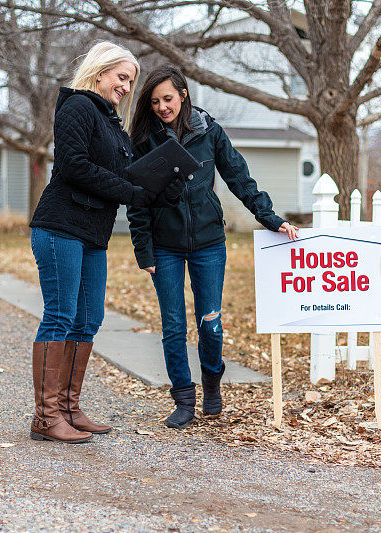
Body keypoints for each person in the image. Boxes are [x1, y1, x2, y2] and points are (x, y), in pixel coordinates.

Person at [127, 65, 298, 430]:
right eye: (155, 101)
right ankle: (183, 400)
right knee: (173, 325)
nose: (162, 107)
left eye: (168, 98)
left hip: (208, 243)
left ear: (184, 94)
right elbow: (137, 202)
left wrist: (269, 218)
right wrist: (145, 252)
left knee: (211, 323)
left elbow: (239, 177)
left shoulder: (210, 133)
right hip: (165, 247)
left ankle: (212, 384)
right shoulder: (143, 141)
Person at [28, 43, 184, 444]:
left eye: (131, 81)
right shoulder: (77, 108)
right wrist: (133, 193)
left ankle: (68, 408)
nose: (127, 87)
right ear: (99, 72)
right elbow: (75, 166)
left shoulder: (112, 124)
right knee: (60, 316)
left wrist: (162, 184)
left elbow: (132, 175)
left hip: (93, 235)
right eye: (122, 77)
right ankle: (46, 418)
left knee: (88, 319)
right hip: (60, 225)